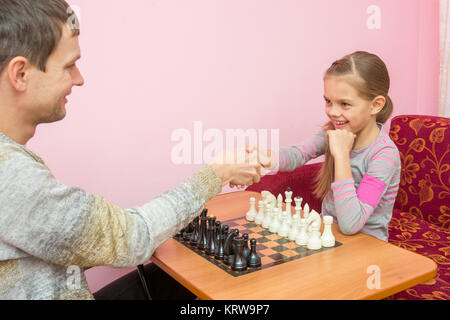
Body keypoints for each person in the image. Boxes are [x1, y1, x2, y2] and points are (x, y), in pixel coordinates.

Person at [0, 0, 262, 300]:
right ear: (20, 73)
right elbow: (132, 238)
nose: (79, 79)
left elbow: (80, 239)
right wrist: (218, 173)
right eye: (69, 65)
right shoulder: (10, 175)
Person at [247, 51, 401, 242]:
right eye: (328, 101)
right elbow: (298, 154)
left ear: (376, 105)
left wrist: (342, 156)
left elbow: (351, 224)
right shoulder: (333, 133)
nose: (333, 112)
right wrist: (267, 157)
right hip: (329, 238)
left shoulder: (384, 156)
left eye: (345, 104)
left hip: (367, 247)